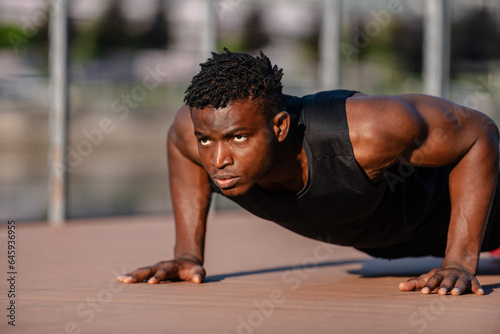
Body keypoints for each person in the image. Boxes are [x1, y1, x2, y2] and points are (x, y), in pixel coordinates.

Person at [117, 48, 500, 296]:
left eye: (237, 137)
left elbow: (480, 134)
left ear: (280, 127)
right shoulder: (194, 134)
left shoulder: (366, 131)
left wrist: (459, 262)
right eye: (207, 141)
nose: (217, 159)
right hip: (400, 242)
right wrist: (187, 254)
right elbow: (178, 142)